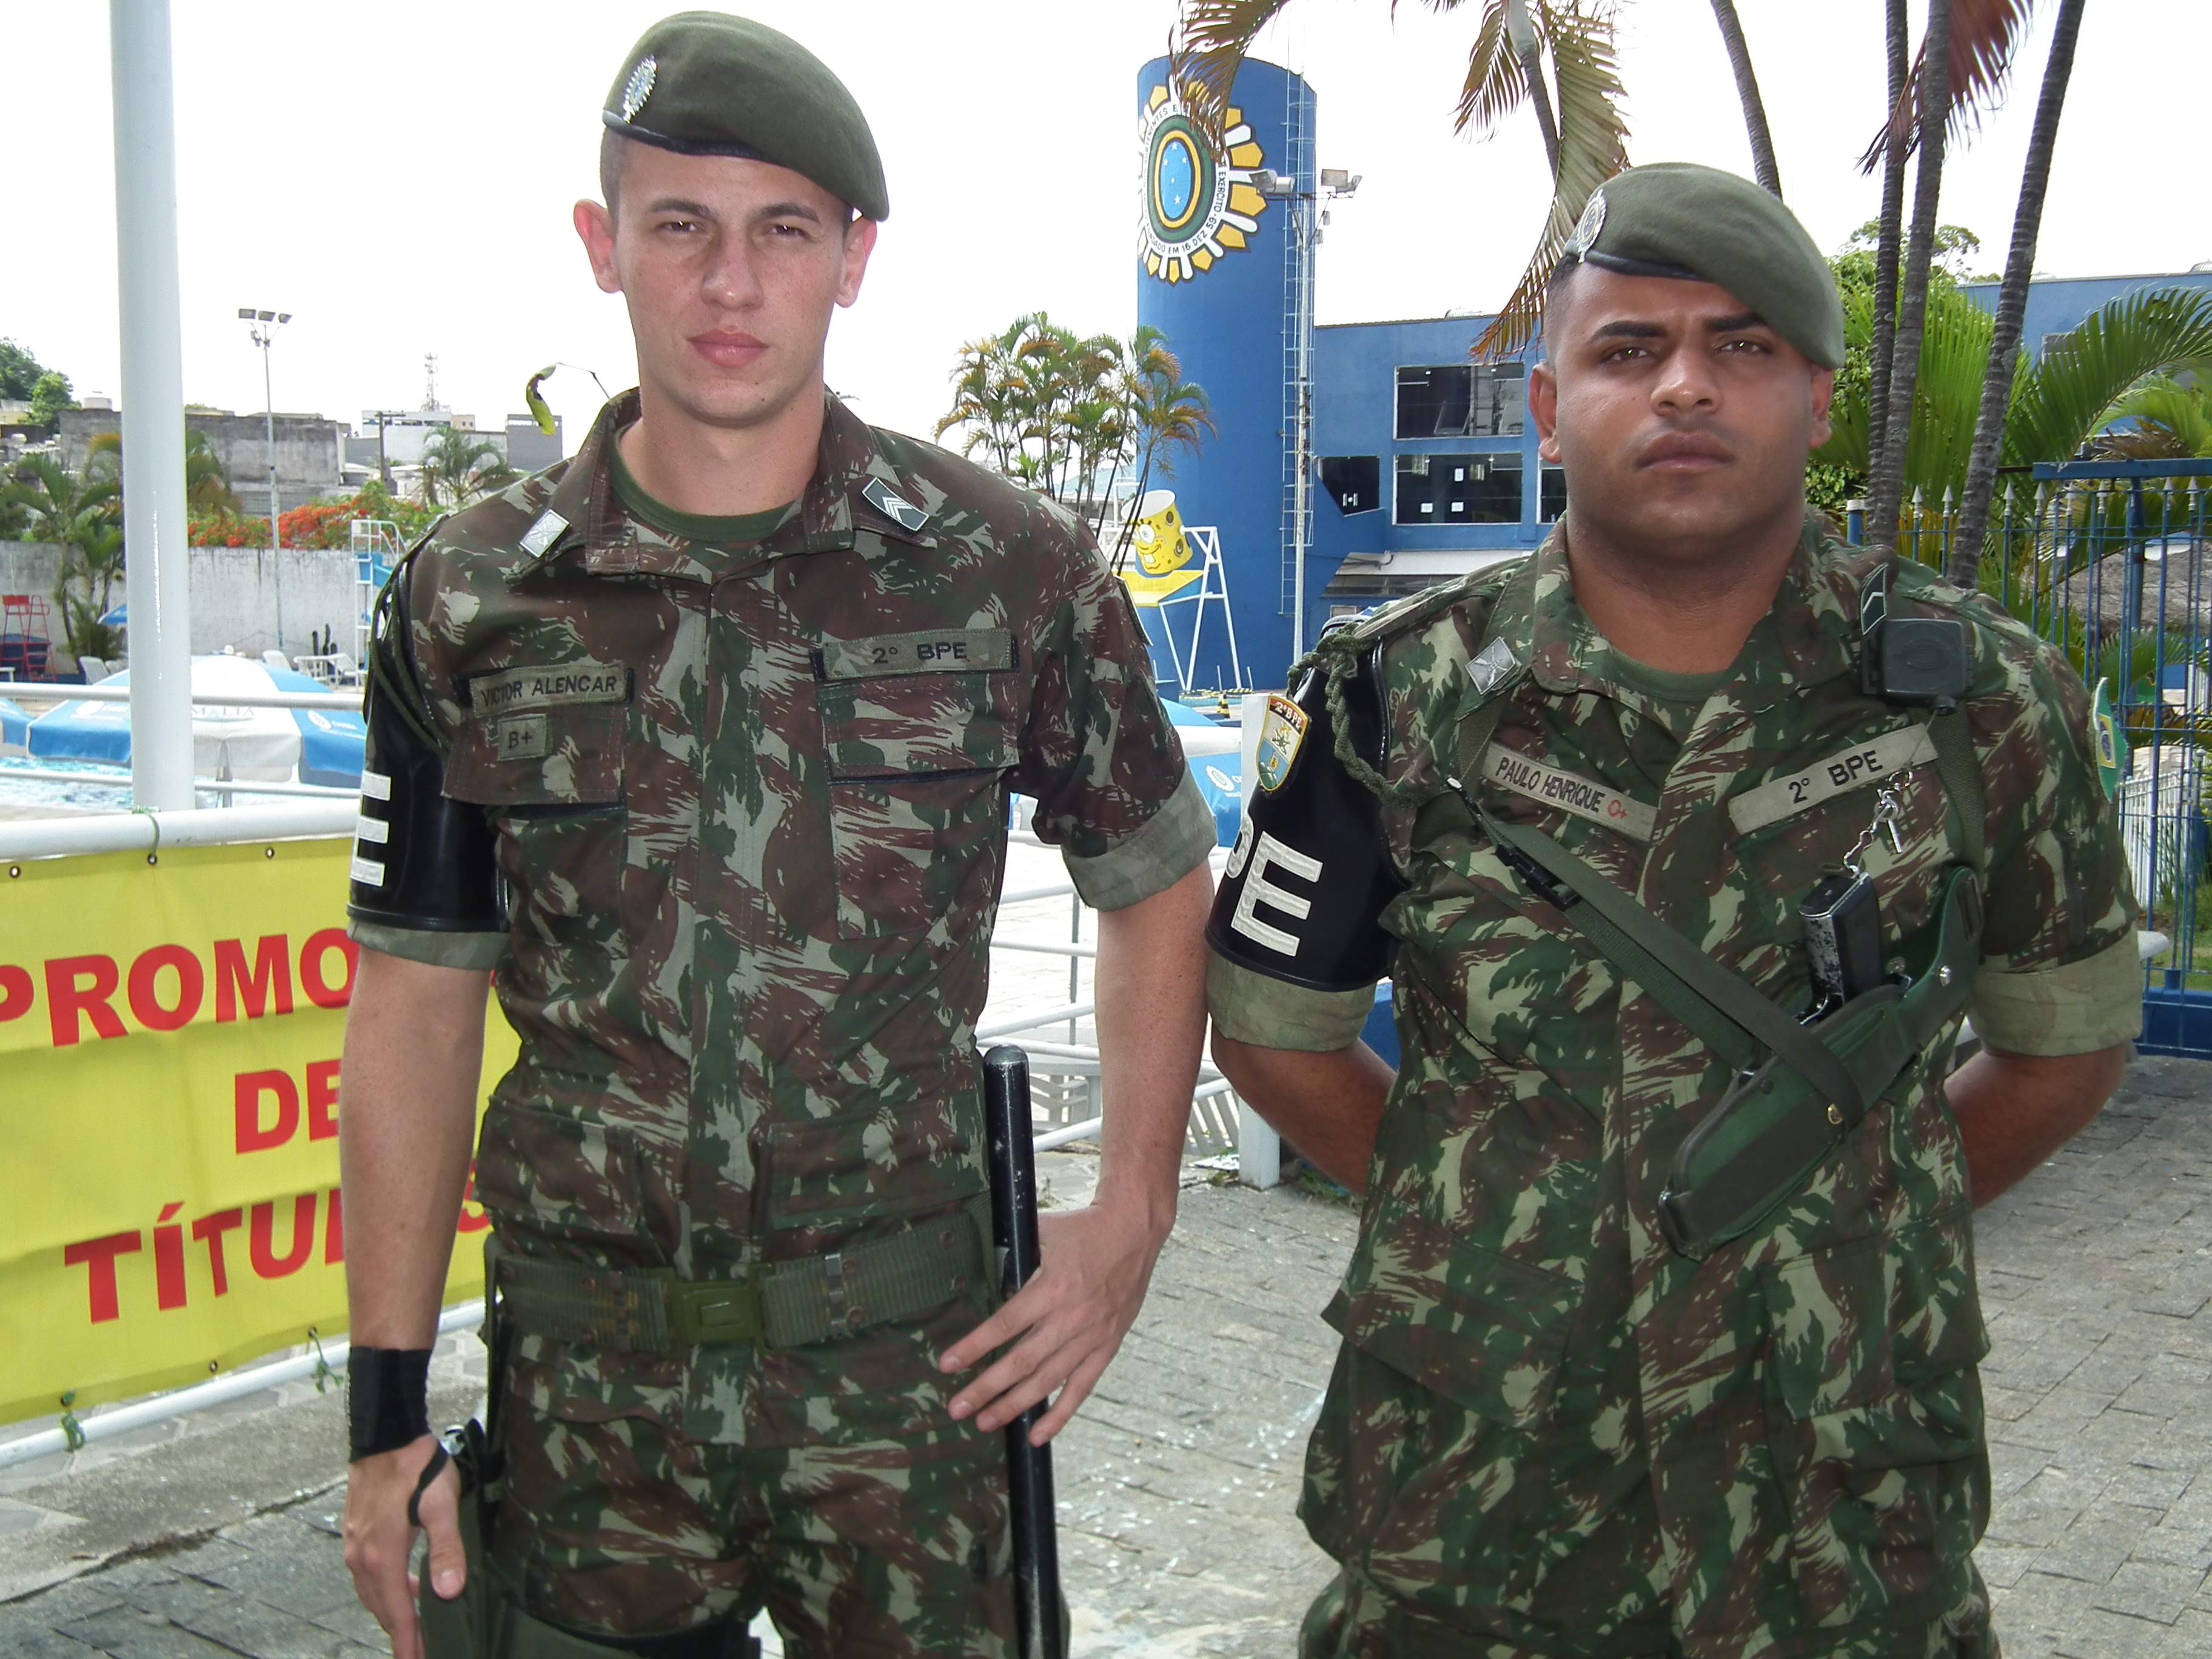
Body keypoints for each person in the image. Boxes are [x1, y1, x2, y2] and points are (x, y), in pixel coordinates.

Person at [335, 14, 1216, 1658]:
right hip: (588, 1403)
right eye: (681, 225)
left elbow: (1157, 878)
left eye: (782, 230)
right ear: (604, 247)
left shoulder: (1006, 572)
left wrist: (1133, 1216)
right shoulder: (469, 597)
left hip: (909, 1387)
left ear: (854, 257)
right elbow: (413, 998)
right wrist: (387, 1420)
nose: (730, 283)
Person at [1207, 162, 2139, 1658]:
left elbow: (2065, 1053)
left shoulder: (1986, 698)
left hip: (1840, 1518)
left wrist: (1855, 1219)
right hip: (1477, 1500)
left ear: (1821, 400)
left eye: (1744, 346)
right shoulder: (1395, 695)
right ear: (1544, 403)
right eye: (1629, 349)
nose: (1686, 387)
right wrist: (1486, 1231)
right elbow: (1274, 1039)